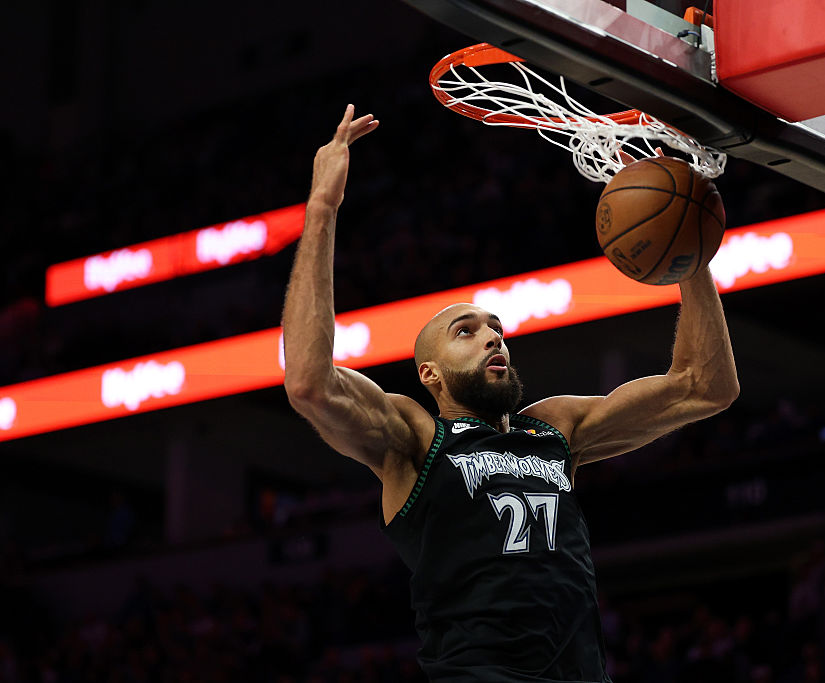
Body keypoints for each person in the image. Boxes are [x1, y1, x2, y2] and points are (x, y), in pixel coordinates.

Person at [282, 105, 740, 683]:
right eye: (466, 331)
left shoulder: (554, 428)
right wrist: (322, 210)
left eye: (496, 328)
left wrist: (689, 251)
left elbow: (705, 387)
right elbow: (310, 381)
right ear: (429, 374)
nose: (492, 336)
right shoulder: (415, 440)